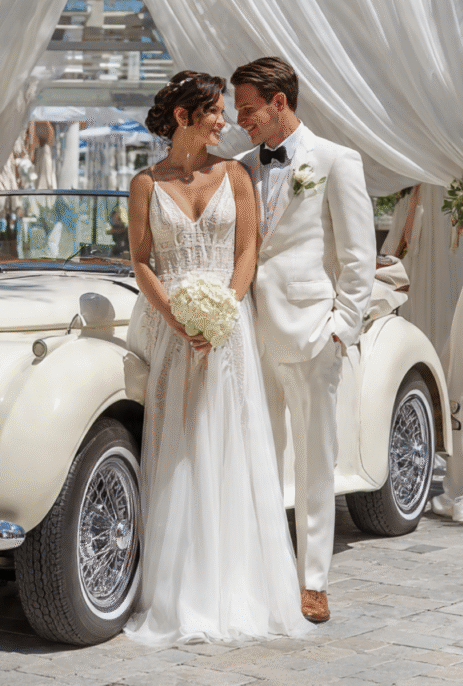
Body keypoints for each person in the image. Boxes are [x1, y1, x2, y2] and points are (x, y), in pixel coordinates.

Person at [124, 71, 308, 646]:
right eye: (215, 113)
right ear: (184, 117)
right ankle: (179, 590)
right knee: (178, 448)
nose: (225, 122)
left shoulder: (236, 175)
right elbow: (141, 261)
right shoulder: (145, 184)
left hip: (228, 331)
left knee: (230, 445)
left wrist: (223, 310)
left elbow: (247, 248)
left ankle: (236, 586)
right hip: (171, 331)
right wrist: (178, 319)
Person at [231, 57, 375, 625]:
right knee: (259, 454)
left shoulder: (336, 161)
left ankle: (312, 580)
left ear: (279, 102)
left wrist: (342, 328)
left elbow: (359, 257)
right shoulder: (241, 166)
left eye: (248, 109)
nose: (242, 120)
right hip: (249, 332)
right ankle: (264, 570)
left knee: (316, 461)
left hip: (314, 333)